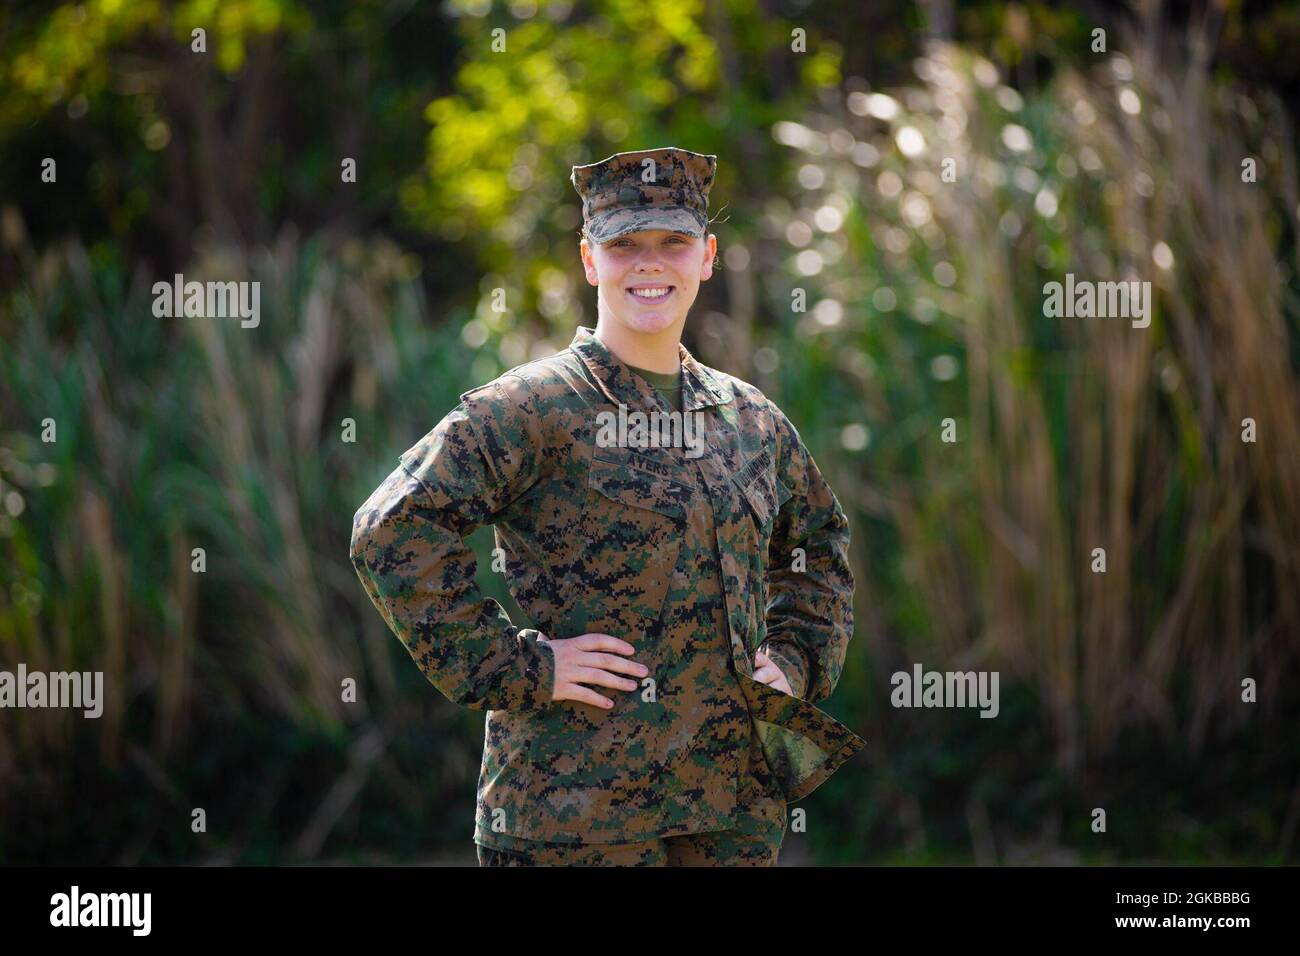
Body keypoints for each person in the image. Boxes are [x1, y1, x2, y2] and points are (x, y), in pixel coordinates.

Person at [349, 146, 865, 866]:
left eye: (672, 242)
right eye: (624, 244)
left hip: (729, 818)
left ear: (706, 256)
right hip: (575, 822)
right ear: (590, 260)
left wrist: (796, 660)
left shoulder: (750, 420)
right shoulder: (533, 407)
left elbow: (821, 546)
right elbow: (391, 529)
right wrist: (519, 667)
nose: (649, 264)